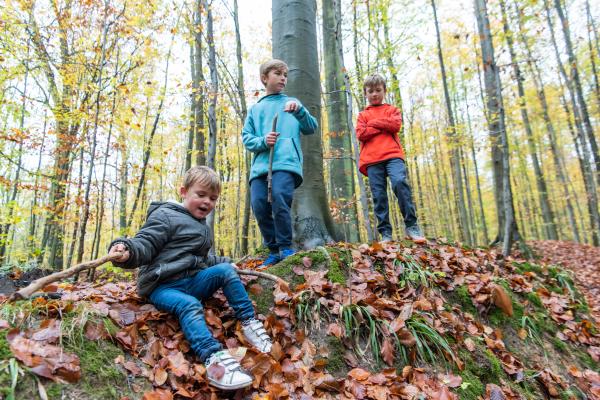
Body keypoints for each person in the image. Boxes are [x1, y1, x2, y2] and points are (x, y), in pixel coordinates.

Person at [108, 166, 272, 390]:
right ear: (183, 192)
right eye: (201, 195)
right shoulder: (165, 216)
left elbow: (201, 259)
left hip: (191, 281)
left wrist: (225, 262)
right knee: (190, 304)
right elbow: (145, 243)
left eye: (213, 198)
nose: (207, 202)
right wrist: (126, 248)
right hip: (163, 286)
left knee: (225, 271)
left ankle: (249, 322)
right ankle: (213, 360)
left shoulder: (201, 226)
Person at [242, 59, 318, 267]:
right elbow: (247, 138)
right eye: (278, 73)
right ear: (265, 78)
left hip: (286, 163)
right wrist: (263, 141)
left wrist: (299, 112)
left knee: (278, 198)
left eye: (285, 74)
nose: (283, 78)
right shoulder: (255, 110)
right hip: (260, 168)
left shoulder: (292, 103)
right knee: (259, 205)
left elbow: (311, 127)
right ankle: (273, 248)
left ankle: (285, 246)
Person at [356, 74, 425, 243]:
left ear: (384, 91)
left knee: (400, 183)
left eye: (378, 90)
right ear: (365, 93)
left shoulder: (392, 110)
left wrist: (375, 123)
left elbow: (395, 125)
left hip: (393, 155)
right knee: (379, 195)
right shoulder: (363, 115)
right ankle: (385, 233)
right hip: (372, 160)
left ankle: (412, 226)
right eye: (370, 91)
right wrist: (383, 125)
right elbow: (361, 134)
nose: (374, 94)